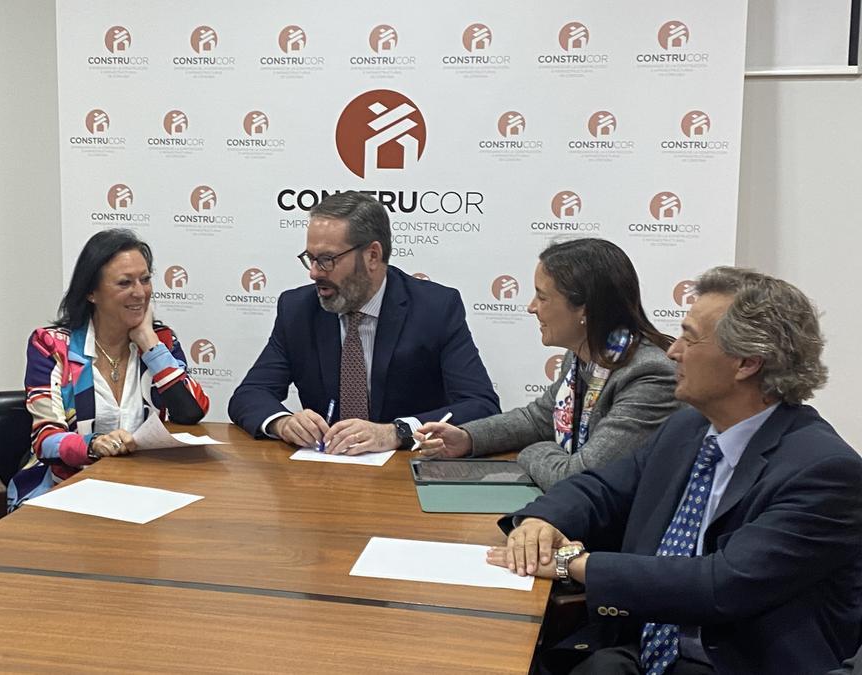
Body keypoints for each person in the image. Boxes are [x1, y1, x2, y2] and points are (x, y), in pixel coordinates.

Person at [491, 266, 862, 674]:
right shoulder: (689, 427)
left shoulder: (824, 471)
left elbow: (719, 584)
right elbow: (603, 488)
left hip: (732, 660)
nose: (672, 351)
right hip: (643, 644)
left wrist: (572, 564)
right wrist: (542, 522)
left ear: (746, 363)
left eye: (690, 336)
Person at [228, 190, 499, 454]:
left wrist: (396, 432)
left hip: (407, 474)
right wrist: (283, 423)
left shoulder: (435, 308)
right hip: (324, 473)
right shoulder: (298, 310)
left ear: (372, 256)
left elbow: (481, 405)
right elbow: (250, 394)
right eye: (311, 258)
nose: (314, 273)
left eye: (327, 260)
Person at [416, 238, 681, 490]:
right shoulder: (584, 355)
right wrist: (467, 438)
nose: (532, 307)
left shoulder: (649, 376)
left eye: (542, 297)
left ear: (585, 310)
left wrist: (533, 450)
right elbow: (539, 418)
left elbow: (578, 476)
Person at [7, 229, 209, 509]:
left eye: (146, 279)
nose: (140, 293)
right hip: (67, 488)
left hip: (145, 490)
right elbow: (46, 440)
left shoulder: (160, 341)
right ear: (91, 292)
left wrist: (149, 343)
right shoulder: (52, 345)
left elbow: (191, 412)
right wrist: (94, 444)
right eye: (125, 283)